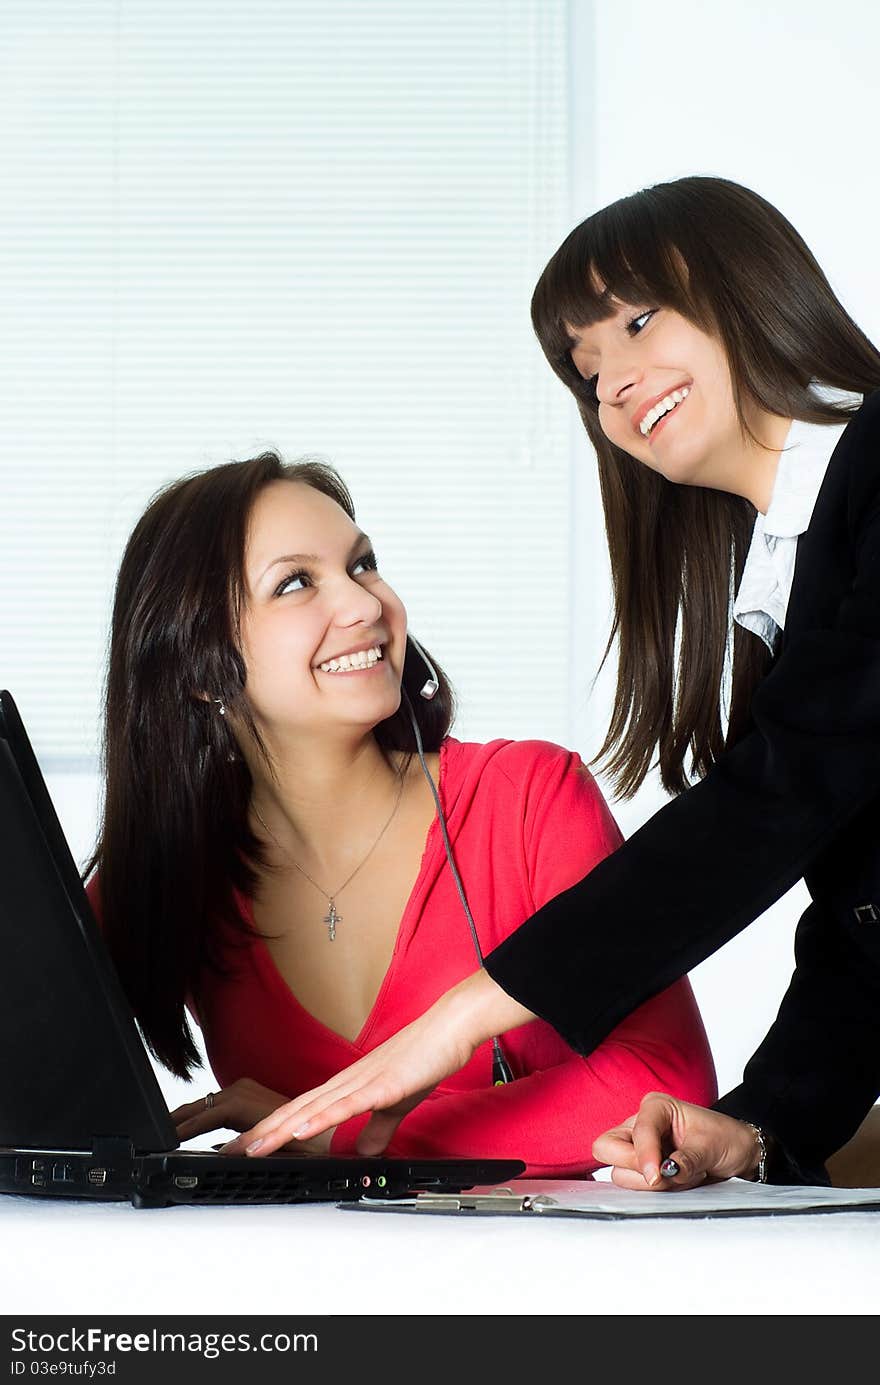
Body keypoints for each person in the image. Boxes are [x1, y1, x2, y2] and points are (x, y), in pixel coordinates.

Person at [224, 176, 880, 1189]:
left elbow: (778, 799)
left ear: (748, 282)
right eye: (587, 370)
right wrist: (757, 1131)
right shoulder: (789, 585)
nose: (615, 380)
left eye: (638, 319)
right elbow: (862, 927)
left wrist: (462, 1017)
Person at [84, 450, 716, 1177]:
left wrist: (345, 1138)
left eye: (362, 564)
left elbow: (661, 1082)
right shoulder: (175, 868)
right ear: (199, 669)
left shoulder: (527, 799)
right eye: (296, 583)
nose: (364, 605)